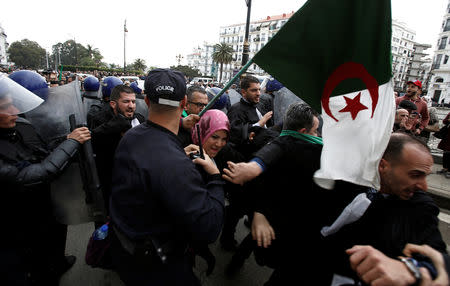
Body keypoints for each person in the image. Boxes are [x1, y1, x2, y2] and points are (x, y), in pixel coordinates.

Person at [109, 68, 225, 286]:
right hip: (156, 266)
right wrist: (215, 177)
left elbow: (151, 170)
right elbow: (209, 228)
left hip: (125, 251)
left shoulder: (132, 135)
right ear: (183, 102)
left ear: (146, 100)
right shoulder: (174, 165)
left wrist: (177, 155)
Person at [323, 133, 449, 285]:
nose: (424, 186)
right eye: (415, 175)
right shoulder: (345, 184)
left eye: (425, 176)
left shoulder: (420, 207)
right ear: (383, 166)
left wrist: (411, 270)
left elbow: (437, 258)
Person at [0, 76, 91, 285]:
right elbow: (40, 172)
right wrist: (72, 143)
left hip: (39, 209)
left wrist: (66, 140)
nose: (15, 110)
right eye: (6, 107)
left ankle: (55, 264)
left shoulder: (18, 128)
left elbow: (41, 152)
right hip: (13, 224)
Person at [227, 102, 326, 284]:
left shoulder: (317, 155)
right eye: (315, 131)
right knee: (255, 242)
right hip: (272, 216)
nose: (318, 136)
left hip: (291, 220)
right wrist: (259, 212)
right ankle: (235, 263)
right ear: (303, 132)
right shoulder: (277, 143)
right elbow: (256, 181)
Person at [184, 109, 230, 276]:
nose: (219, 144)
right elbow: (210, 229)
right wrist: (215, 175)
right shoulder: (191, 164)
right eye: (214, 137)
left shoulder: (212, 155)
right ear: (201, 132)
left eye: (224, 139)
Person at [90, 84, 145, 215]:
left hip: (135, 184)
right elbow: (94, 141)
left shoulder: (139, 119)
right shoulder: (99, 120)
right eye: (126, 101)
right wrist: (117, 126)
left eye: (133, 101)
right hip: (110, 185)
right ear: (113, 104)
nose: (131, 105)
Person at [227, 75, 273, 145]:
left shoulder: (259, 106)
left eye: (259, 89)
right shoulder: (236, 110)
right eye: (254, 90)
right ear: (243, 92)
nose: (258, 93)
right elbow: (235, 134)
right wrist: (260, 123)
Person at [437, 111, 450, 178]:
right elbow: (444, 121)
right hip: (448, 136)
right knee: (445, 152)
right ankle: (445, 168)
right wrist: (448, 120)